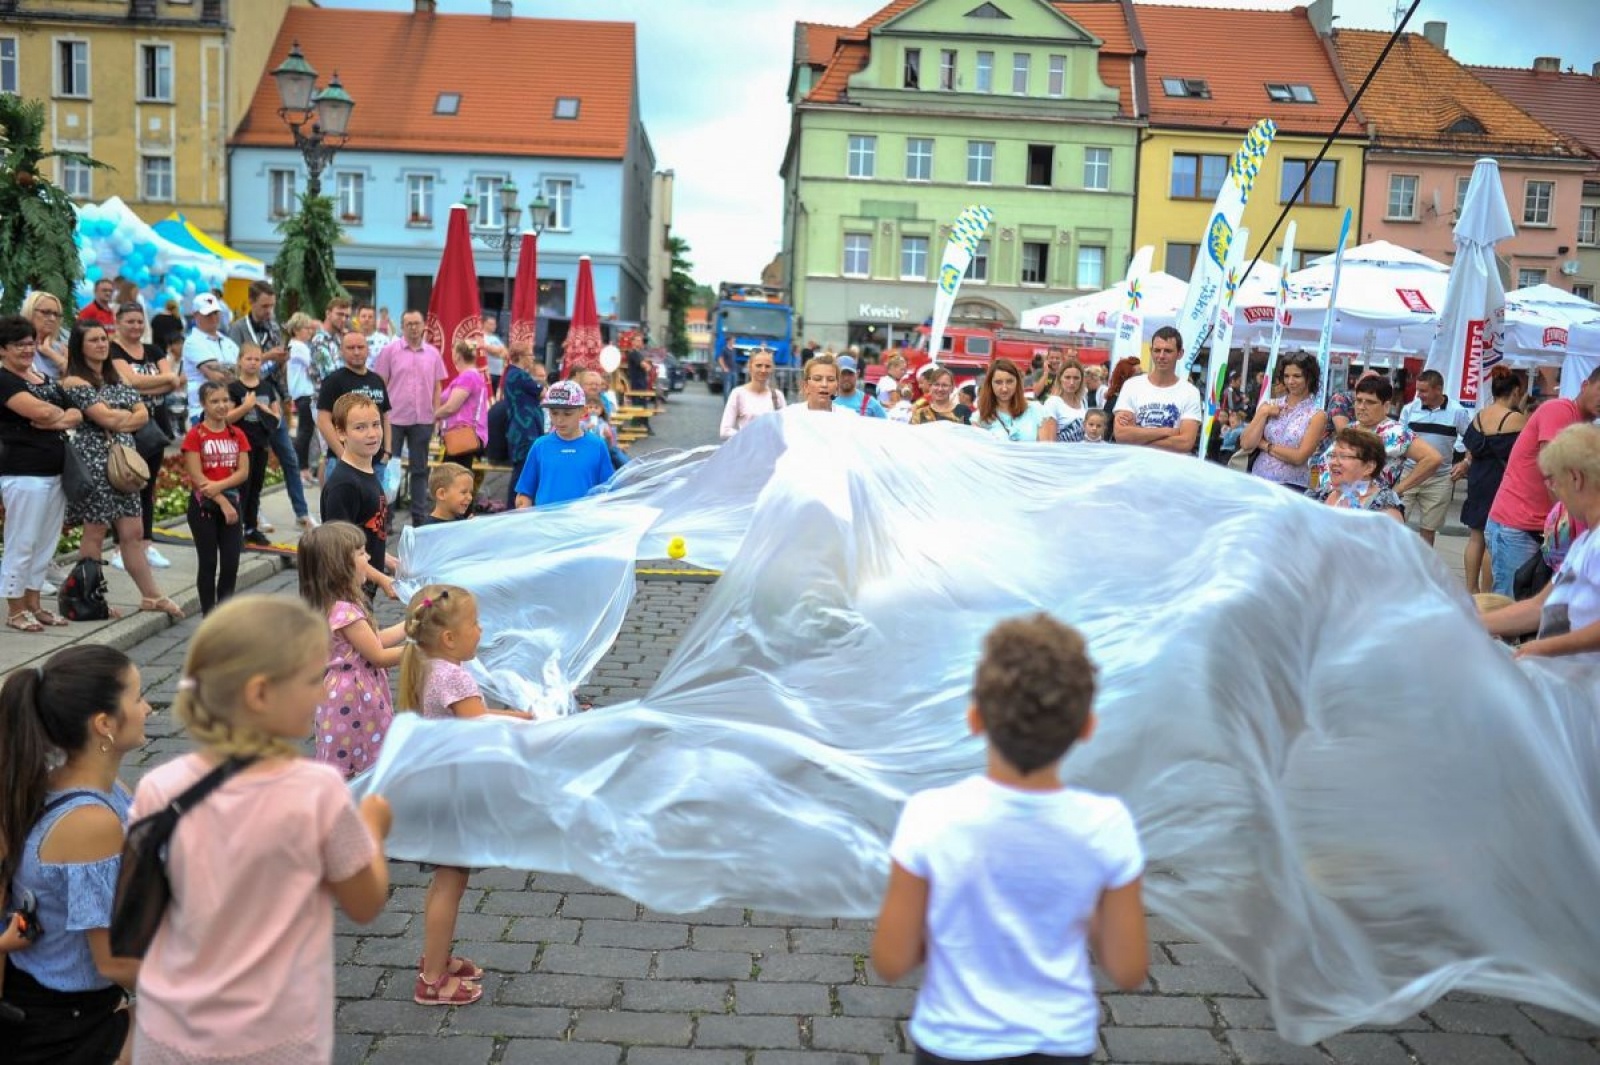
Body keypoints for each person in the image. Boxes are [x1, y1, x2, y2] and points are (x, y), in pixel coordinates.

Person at [871, 613, 1147, 1062]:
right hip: (1060, 1044)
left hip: (953, 1042)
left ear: (974, 718)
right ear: (1087, 727)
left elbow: (891, 959)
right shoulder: (1106, 824)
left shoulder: (931, 815)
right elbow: (1128, 968)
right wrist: (1086, 913)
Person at [128, 595, 392, 1063]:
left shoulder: (157, 786)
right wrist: (372, 825)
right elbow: (364, 902)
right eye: (311, 679)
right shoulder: (316, 791)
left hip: (169, 1031)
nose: (321, 693)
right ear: (260, 693)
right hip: (273, 1036)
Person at [0, 645, 146, 1063]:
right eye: (137, 697)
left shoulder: (101, 790)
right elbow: (113, 962)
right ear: (104, 724)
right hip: (64, 1029)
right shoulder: (88, 822)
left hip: (69, 1006)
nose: (147, 708)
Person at [396, 585, 532, 1006]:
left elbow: (476, 715)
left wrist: (516, 717)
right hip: (454, 798)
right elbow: (481, 729)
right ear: (450, 638)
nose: (481, 629)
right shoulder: (454, 676)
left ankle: (437, 958)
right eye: (474, 623)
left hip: (439, 790)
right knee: (450, 883)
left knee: (447, 881)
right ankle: (432, 980)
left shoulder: (428, 666)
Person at [61, 321, 184, 619]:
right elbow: (107, 419)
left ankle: (151, 595)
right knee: (95, 530)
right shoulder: (74, 381)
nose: (101, 344)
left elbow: (142, 414)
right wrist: (122, 416)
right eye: (93, 340)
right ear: (80, 346)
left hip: (126, 463)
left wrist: (119, 417)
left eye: (104, 339)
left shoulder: (116, 376)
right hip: (96, 461)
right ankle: (88, 600)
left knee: (133, 531)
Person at [1480, 423, 1600, 657]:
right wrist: (1469, 622)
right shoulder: (1585, 540)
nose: (1552, 489)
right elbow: (1539, 606)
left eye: (1552, 479)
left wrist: (1541, 648)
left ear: (1575, 478)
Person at [298, 522, 405, 776]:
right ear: (339, 565)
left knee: (348, 764)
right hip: (354, 698)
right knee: (356, 764)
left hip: (344, 695)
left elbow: (372, 641)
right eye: (361, 553)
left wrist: (410, 626)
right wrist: (423, 651)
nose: (368, 558)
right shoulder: (345, 610)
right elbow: (378, 656)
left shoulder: (333, 603)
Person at [1485, 365, 1600, 598]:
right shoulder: (1560, 410)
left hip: (1537, 527)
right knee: (1511, 602)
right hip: (1519, 524)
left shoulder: (1584, 426)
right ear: (1585, 385)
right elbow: (1555, 473)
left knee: (1531, 601)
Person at [1, 315, 80, 631]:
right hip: (23, 473)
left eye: (30, 343)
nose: (27, 349)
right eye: (18, 345)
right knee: (22, 542)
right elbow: (39, 411)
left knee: (45, 544)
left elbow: (75, 412)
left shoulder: (42, 378)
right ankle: (15, 609)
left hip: (55, 472)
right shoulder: (5, 380)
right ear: (3, 349)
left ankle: (34, 605)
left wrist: (53, 420)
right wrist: (54, 417)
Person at [226, 280, 312, 531]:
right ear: (251, 302)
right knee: (251, 465)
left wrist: (282, 367)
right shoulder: (237, 329)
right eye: (264, 306)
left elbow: (278, 368)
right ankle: (254, 514)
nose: (269, 311)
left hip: (270, 397)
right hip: (245, 402)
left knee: (289, 458)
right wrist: (266, 357)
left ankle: (302, 513)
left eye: (272, 306)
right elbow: (233, 365)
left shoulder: (273, 327)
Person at [108, 301, 179, 571]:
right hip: (129, 427)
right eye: (130, 321)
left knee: (148, 487)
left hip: (155, 428)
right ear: (118, 323)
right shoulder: (113, 350)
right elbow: (129, 382)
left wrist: (144, 386)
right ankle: (119, 546)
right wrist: (159, 383)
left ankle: (146, 543)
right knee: (124, 485)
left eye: (140, 321)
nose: (136, 326)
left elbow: (172, 380)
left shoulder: (154, 350)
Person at [181, 382, 249, 616]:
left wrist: (219, 487)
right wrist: (222, 501)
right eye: (215, 401)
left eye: (225, 400)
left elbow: (243, 472)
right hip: (204, 507)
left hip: (231, 504)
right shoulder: (195, 435)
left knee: (231, 563)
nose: (221, 406)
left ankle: (224, 615)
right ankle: (209, 616)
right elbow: (197, 477)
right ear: (203, 404)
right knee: (208, 563)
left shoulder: (237, 434)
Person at [320, 393, 395, 598]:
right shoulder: (345, 485)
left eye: (376, 424)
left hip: (364, 588)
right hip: (348, 593)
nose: (372, 434)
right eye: (360, 427)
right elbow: (342, 551)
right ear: (341, 432)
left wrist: (387, 560)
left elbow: (368, 532)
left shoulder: (366, 473)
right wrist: (382, 579)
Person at [1460, 367, 1528, 594]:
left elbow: (1469, 447)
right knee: (1493, 542)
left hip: (1477, 479)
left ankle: (1471, 590)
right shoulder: (1516, 419)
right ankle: (1488, 594)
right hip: (1500, 482)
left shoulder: (1480, 415)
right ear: (1516, 391)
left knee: (1475, 537)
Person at [373, 310, 444, 524]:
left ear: (423, 326)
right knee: (389, 469)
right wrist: (379, 415)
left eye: (417, 323)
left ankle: (419, 517)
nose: (413, 327)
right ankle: (386, 517)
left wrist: (437, 414)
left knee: (420, 470)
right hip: (393, 419)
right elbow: (380, 383)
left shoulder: (433, 354)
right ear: (402, 326)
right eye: (409, 324)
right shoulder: (389, 351)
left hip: (423, 419)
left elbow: (437, 386)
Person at [1396, 369, 1474, 546]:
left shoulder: (1457, 412)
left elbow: (1472, 441)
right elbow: (1398, 440)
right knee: (1396, 521)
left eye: (1423, 391)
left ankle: (1424, 563)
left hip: (1440, 479)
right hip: (1409, 473)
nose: (1418, 395)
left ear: (1438, 389)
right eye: (1418, 390)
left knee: (1429, 529)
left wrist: (1466, 462)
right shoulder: (1409, 409)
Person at [513, 380, 614, 509]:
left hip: (583, 519)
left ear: (583, 411)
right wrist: (523, 512)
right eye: (554, 413)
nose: (559, 420)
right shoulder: (540, 446)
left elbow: (607, 491)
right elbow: (524, 493)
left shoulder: (597, 446)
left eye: (567, 413)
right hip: (546, 519)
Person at [1239, 352, 1328, 492]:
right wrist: (1263, 413)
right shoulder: (1269, 405)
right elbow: (1245, 443)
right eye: (1286, 376)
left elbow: (1299, 457)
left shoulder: (1317, 415)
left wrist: (1264, 444)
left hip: (1291, 487)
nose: (1290, 381)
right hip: (1257, 480)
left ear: (1309, 377)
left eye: (1297, 376)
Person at [1342, 375, 1443, 494]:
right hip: (1338, 497)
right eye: (1359, 401)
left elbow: (1433, 458)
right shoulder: (1349, 428)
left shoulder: (1396, 432)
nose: (1361, 407)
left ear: (1386, 406)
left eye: (1370, 402)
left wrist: (1398, 490)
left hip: (1372, 500)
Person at [316, 331, 392, 485]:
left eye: (360, 347)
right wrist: (344, 456)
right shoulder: (333, 381)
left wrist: (388, 451)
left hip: (376, 463)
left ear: (367, 349)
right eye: (350, 348)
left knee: (376, 502)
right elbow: (323, 421)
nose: (356, 352)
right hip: (343, 464)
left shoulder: (377, 380)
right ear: (341, 351)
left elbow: (384, 417)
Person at [225, 345, 281, 548]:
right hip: (241, 447)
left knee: (256, 488)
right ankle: (237, 529)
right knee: (242, 488)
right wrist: (246, 407)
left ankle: (251, 528)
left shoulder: (267, 388)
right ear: (240, 361)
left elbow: (277, 418)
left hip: (261, 444)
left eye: (257, 359)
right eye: (248, 359)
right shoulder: (234, 388)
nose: (253, 363)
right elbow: (226, 418)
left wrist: (267, 411)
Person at [1113, 327, 1202, 453]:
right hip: (1136, 463)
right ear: (1151, 351)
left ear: (1180, 354)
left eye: (1168, 351)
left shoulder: (1190, 392)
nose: (1161, 356)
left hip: (1170, 465)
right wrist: (1166, 431)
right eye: (1157, 350)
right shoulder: (1131, 386)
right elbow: (1121, 435)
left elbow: (1185, 443)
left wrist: (1137, 437)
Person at [1305, 427, 1405, 521]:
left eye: (1344, 456)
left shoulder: (1384, 512)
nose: (1333, 462)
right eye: (1332, 455)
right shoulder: (1322, 494)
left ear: (1369, 467)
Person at [181, 293, 240, 427]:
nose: (213, 317)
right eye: (208, 314)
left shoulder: (228, 342)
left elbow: (243, 371)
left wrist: (232, 371)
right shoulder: (192, 342)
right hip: (202, 412)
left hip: (231, 409)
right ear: (196, 315)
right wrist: (238, 372)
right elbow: (216, 377)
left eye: (215, 313)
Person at [434, 339, 489, 477]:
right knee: (455, 476)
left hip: (463, 435)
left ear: (457, 356)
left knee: (452, 478)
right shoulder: (473, 376)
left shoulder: (468, 377)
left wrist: (431, 415)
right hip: (461, 436)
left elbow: (451, 407)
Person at [502, 344, 547, 507]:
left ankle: (517, 506)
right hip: (524, 431)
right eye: (530, 355)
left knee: (523, 469)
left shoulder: (512, 374)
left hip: (522, 429)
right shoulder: (519, 375)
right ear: (520, 357)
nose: (533, 358)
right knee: (522, 470)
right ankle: (513, 507)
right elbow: (542, 392)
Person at [973, 358, 1055, 442]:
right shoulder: (980, 417)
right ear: (990, 384)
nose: (1004, 388)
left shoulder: (1036, 410)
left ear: (1017, 382)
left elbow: (1045, 447)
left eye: (1009, 381)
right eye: (998, 382)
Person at [284, 311, 321, 484]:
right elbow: (314, 364)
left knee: (307, 431)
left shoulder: (297, 346)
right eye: (306, 328)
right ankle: (300, 470)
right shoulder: (298, 346)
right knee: (304, 433)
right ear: (297, 330)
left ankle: (305, 469)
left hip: (303, 392)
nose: (309, 331)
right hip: (305, 392)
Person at [719, 347, 786, 437]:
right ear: (750, 366)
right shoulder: (738, 394)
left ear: (772, 368)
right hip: (746, 445)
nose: (763, 370)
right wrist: (751, 436)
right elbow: (724, 431)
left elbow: (785, 429)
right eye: (759, 365)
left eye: (767, 366)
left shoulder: (778, 396)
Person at [20, 291, 68, 381]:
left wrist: (49, 352)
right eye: (46, 312)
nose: (53, 318)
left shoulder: (61, 349)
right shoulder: (19, 347)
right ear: (30, 312)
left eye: (56, 314)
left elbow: (78, 379)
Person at [1040, 357, 1089, 442]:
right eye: (1067, 377)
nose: (1072, 382)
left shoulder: (1083, 402)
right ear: (1060, 379)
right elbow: (1048, 441)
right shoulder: (1053, 402)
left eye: (1076, 378)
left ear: (1081, 380)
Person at [418, 462, 474, 526]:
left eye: (471, 493)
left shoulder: (460, 519)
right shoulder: (428, 528)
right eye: (463, 492)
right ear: (442, 494)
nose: (470, 497)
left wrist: (468, 526)